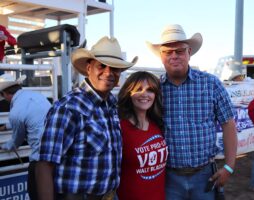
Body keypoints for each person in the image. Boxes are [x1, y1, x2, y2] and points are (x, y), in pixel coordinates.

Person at [35, 36, 138, 200]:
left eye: (115, 68)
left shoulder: (111, 105)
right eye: (102, 66)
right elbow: (45, 165)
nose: (108, 72)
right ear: (89, 68)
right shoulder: (68, 108)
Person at [146, 24, 237, 200]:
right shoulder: (153, 89)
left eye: (179, 51)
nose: (174, 56)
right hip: (167, 176)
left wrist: (229, 166)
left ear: (189, 52)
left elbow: (228, 124)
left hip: (205, 175)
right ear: (161, 56)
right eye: (168, 52)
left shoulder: (211, 84)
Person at [0, 73, 51, 200]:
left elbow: (16, 141)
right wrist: (6, 126)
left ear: (5, 94)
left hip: (40, 158)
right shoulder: (37, 96)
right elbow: (29, 118)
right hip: (57, 152)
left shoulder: (16, 112)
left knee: (35, 193)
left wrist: (4, 146)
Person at [117, 71, 167, 200]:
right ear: (129, 93)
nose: (144, 94)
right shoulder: (119, 128)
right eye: (138, 89)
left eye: (150, 90)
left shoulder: (157, 124)